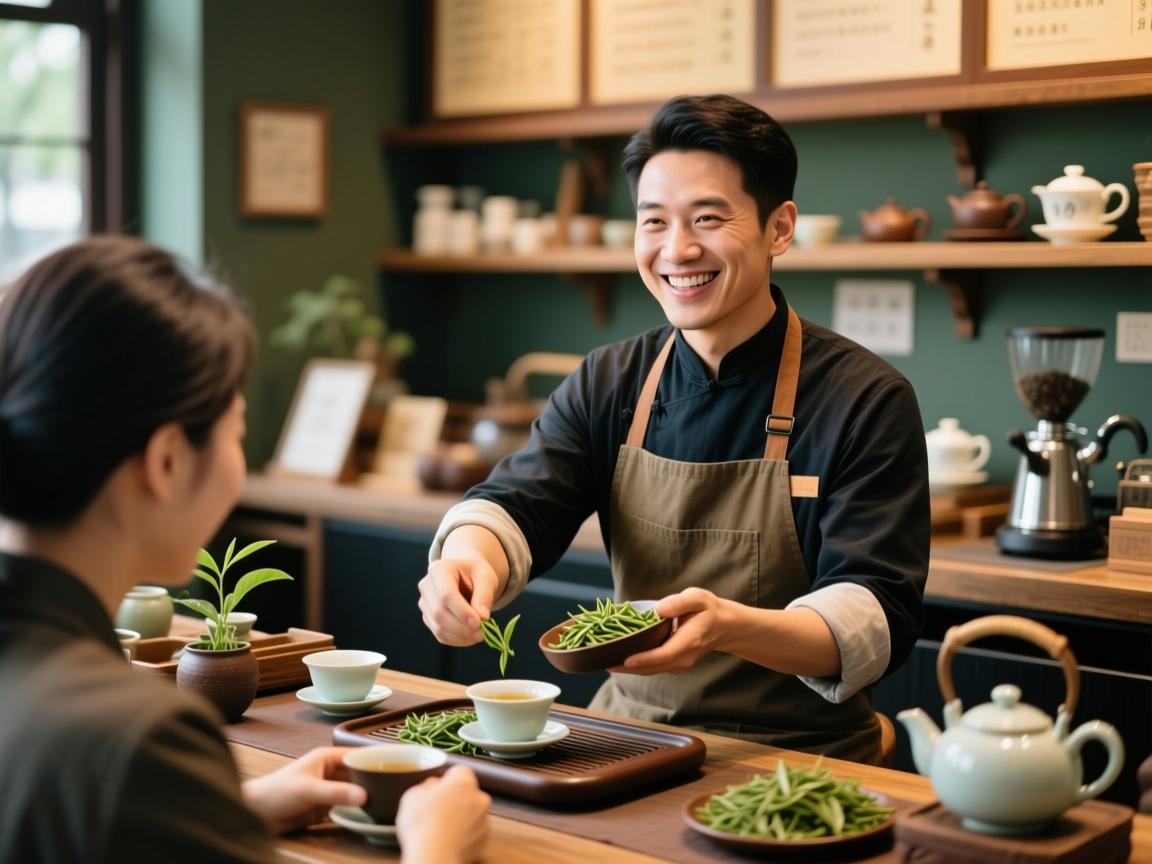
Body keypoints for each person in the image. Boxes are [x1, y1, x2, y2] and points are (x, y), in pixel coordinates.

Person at [419, 94, 929, 763]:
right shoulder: (610, 381)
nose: (677, 249)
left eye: (708, 219)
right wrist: (465, 563)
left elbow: (875, 616)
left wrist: (729, 628)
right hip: (629, 740)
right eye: (652, 221)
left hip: (802, 756)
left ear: (780, 228)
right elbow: (519, 501)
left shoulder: (864, 398)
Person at [0, 236, 490, 864]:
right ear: (168, 460)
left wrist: (215, 813)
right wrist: (440, 851)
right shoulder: (138, 738)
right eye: (235, 431)